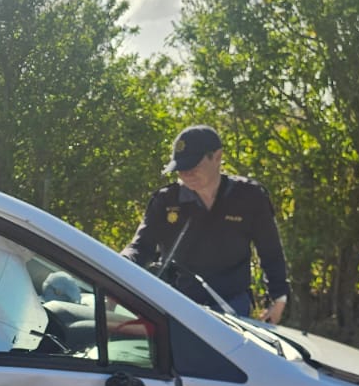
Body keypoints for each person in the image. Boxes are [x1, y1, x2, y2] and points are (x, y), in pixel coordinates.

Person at [122, 125, 290, 323]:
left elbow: (270, 251)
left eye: (193, 167)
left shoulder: (249, 196)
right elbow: (140, 247)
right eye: (181, 169)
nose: (186, 174)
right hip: (176, 304)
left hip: (231, 306)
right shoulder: (166, 200)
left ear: (217, 156)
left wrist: (278, 298)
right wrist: (120, 266)